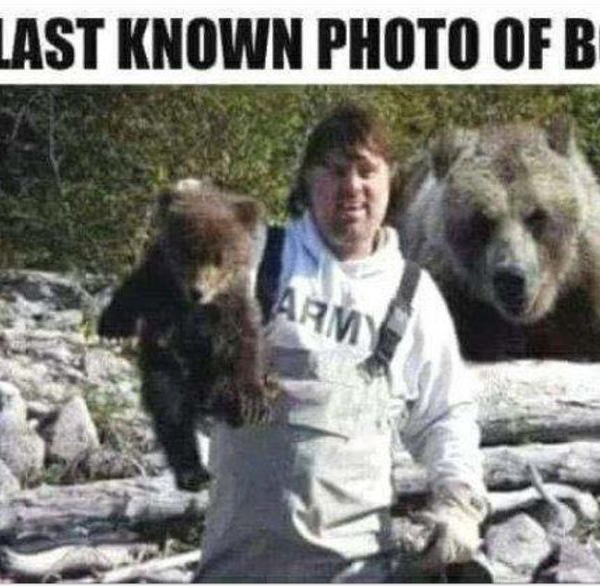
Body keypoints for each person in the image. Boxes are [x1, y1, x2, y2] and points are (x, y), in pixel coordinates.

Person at [194, 104, 488, 582]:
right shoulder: (260, 258)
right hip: (239, 565)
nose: (351, 187)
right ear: (309, 183)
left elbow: (445, 416)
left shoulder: (413, 295)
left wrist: (459, 503)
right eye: (334, 172)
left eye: (366, 171)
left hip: (354, 570)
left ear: (389, 181)